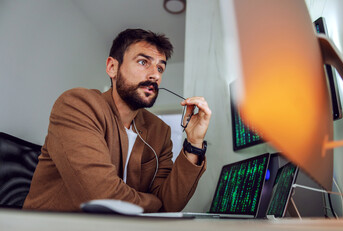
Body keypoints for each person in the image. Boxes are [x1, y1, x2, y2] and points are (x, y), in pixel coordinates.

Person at [23, 29, 211, 212]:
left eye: (160, 68)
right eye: (143, 62)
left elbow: (171, 203)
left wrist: (194, 143)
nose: (155, 75)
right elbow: (101, 195)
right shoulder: (78, 105)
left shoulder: (160, 131)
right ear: (112, 67)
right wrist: (157, 204)